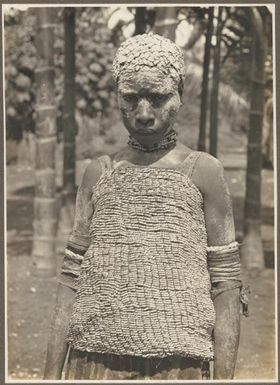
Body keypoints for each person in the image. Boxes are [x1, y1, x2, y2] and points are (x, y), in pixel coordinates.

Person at [44, 33, 245, 380]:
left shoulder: (203, 172)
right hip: (93, 360)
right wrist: (49, 377)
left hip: (178, 364)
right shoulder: (100, 172)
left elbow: (226, 284)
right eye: (131, 98)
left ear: (179, 94)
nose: (143, 113)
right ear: (117, 97)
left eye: (157, 97)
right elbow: (71, 278)